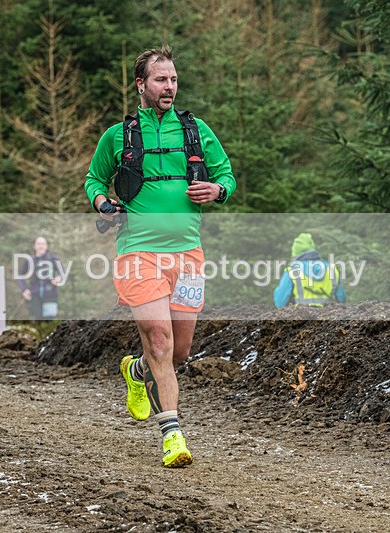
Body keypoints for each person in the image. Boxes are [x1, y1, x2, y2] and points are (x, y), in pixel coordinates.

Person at [85, 45, 236, 468]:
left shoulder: (195, 130)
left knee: (179, 352)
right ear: (141, 84)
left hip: (187, 255)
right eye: (160, 80)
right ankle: (172, 434)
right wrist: (102, 203)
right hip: (138, 252)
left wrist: (217, 190)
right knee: (159, 339)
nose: (169, 87)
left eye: (173, 79)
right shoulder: (118, 136)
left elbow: (226, 175)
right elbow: (94, 179)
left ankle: (136, 371)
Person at [273, 233, 346, 308]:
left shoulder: (292, 270)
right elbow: (341, 299)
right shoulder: (332, 269)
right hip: (329, 313)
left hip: (300, 313)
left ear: (295, 253)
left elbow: (280, 302)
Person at [16, 235, 63, 321]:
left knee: (49, 321)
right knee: (38, 321)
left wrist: (59, 278)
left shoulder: (53, 259)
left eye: (43, 244)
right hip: (34, 295)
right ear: (34, 246)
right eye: (38, 244)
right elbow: (20, 276)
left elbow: (63, 273)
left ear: (47, 246)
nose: (41, 246)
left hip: (50, 294)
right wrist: (23, 290)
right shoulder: (30, 261)